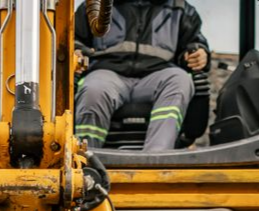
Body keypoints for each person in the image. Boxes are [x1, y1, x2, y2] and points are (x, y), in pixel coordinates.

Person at [74, 0, 210, 152]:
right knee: (93, 88)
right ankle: (86, 156)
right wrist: (77, 49)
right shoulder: (96, 5)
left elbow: (194, 43)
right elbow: (73, 39)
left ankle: (157, 156)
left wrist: (199, 53)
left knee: (180, 80)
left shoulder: (181, 9)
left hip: (157, 75)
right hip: (107, 73)